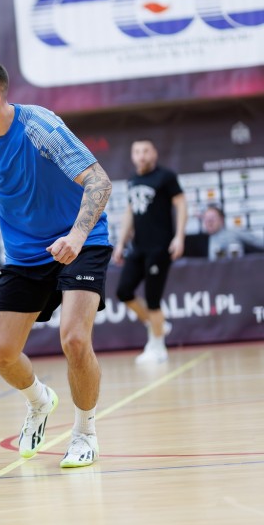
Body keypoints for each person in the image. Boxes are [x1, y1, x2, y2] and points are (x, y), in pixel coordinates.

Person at [0, 57, 112, 469]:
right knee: (3, 353)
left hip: (80, 241)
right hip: (25, 256)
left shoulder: (39, 127)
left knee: (74, 339)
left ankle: (85, 433)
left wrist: (76, 237)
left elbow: (99, 181)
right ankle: (39, 401)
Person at [112, 140, 186, 364]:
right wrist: (120, 243)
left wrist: (179, 237)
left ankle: (158, 347)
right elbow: (130, 212)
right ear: (132, 156)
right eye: (137, 151)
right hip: (138, 247)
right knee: (124, 292)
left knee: (153, 299)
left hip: (160, 247)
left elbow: (181, 204)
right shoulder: (132, 180)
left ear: (154, 154)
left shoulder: (166, 177)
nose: (141, 155)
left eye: (145, 151)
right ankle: (158, 325)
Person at [200, 204, 264, 261]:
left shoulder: (233, 233)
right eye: (206, 219)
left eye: (212, 218)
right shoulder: (201, 241)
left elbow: (257, 241)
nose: (209, 222)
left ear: (221, 219)